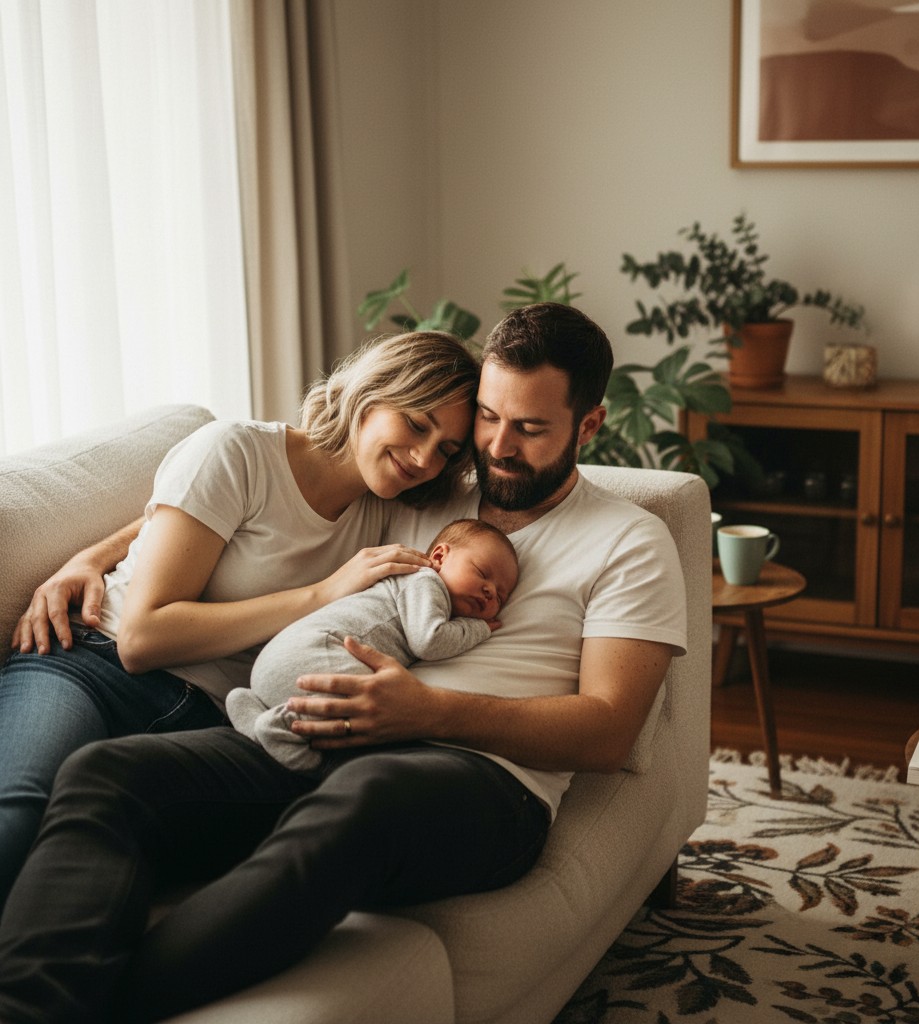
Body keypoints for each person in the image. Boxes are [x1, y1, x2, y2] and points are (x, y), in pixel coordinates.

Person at [0, 303, 688, 1024]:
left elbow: (610, 732)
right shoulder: (428, 496)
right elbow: (249, 480)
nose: (497, 445)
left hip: (478, 779)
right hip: (325, 737)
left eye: (530, 427)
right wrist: (87, 558)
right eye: (487, 418)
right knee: (106, 776)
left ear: (589, 426)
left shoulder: (629, 541)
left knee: (366, 799)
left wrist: (432, 712)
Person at [0, 330, 479, 909]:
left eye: (449, 450)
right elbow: (141, 639)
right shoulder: (240, 450)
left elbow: (176, 515)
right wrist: (322, 592)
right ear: (370, 394)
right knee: (21, 818)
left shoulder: (391, 513)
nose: (427, 459)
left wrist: (100, 551)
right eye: (417, 424)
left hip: (217, 717)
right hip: (93, 666)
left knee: (103, 852)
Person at [228, 518, 518, 770]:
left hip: (283, 659)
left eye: (501, 597)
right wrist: (478, 628)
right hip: (314, 653)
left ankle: (255, 712)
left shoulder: (409, 588)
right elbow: (429, 641)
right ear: (440, 556)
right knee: (368, 711)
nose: (490, 591)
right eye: (482, 573)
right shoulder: (425, 581)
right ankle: (281, 726)